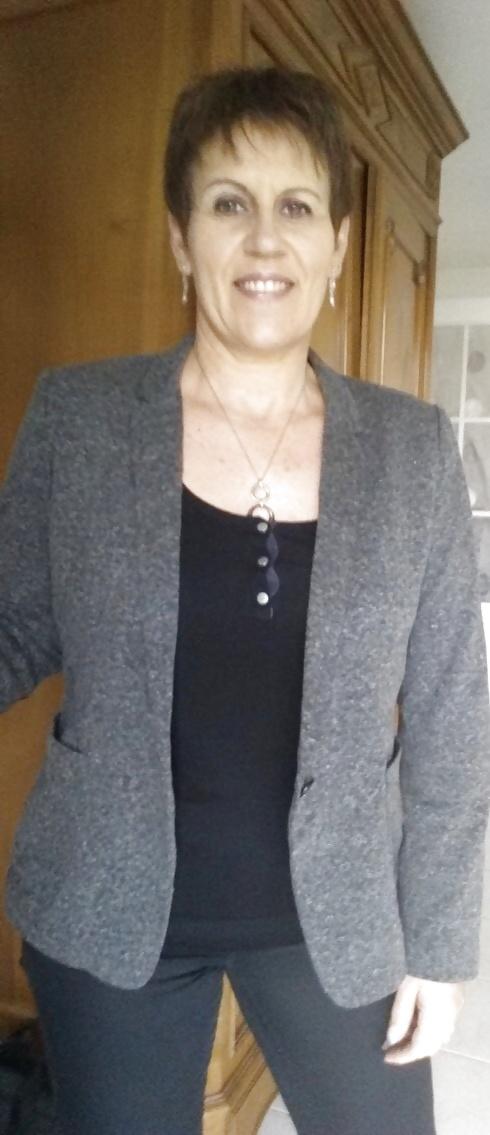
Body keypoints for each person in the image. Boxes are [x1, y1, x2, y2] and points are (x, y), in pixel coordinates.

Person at [2, 65, 490, 1135]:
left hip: (337, 916)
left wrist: (441, 945)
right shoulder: (81, 422)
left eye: (297, 207)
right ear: (183, 239)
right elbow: (14, 625)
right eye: (229, 203)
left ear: (339, 246)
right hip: (109, 907)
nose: (265, 239)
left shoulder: (410, 453)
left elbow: (454, 714)